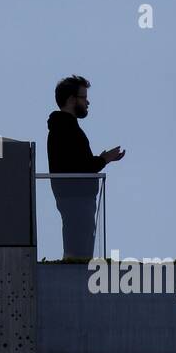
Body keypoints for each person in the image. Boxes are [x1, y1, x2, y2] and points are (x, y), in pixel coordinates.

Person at [47, 75, 125, 258]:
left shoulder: (63, 127)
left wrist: (103, 159)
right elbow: (81, 166)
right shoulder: (66, 128)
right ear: (72, 99)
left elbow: (77, 164)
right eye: (84, 97)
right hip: (76, 198)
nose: (87, 102)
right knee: (79, 252)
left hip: (74, 197)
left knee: (78, 248)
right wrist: (104, 159)